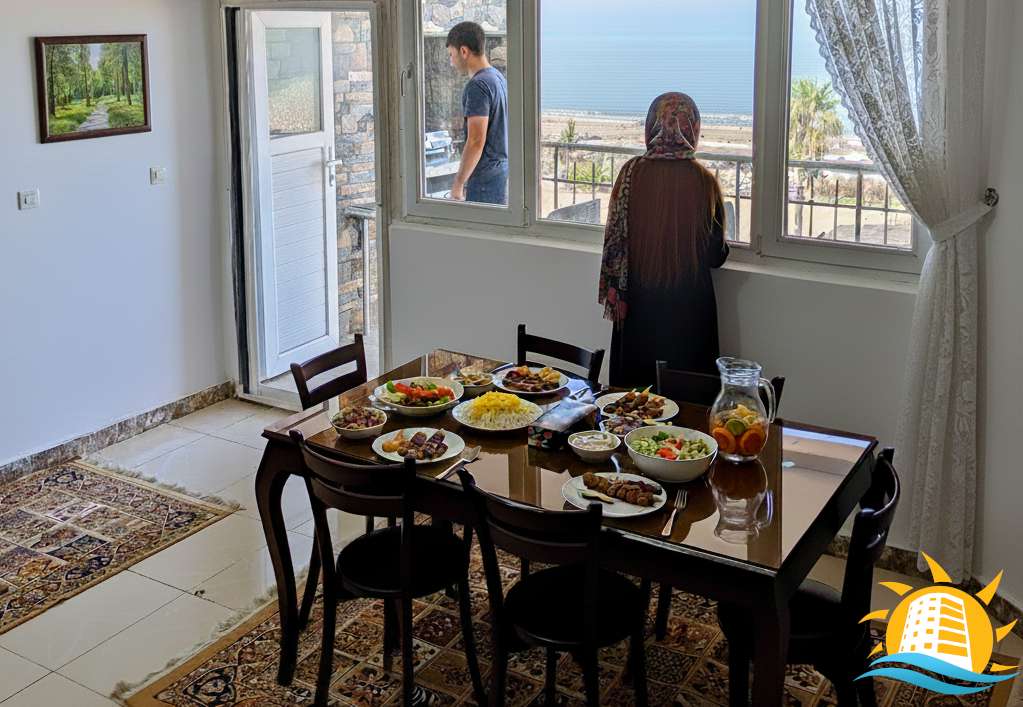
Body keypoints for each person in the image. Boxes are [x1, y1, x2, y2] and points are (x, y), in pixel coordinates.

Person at [598, 92, 730, 388]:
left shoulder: (630, 173)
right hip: (689, 315)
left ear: (651, 127)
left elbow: (616, 246)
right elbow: (716, 256)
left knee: (631, 407)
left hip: (637, 311)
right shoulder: (704, 181)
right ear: (693, 128)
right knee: (687, 412)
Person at [445, 22, 508, 205]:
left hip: (485, 181)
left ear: (464, 52)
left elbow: (475, 142)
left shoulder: (477, 86)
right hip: (501, 175)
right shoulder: (498, 78)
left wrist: (457, 185)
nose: (451, 63)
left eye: (451, 55)